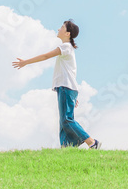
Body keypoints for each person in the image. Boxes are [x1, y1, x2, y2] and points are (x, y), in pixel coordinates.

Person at [13, 20, 101, 149]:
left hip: (66, 87)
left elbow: (45, 56)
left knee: (67, 120)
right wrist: (74, 95)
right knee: (63, 122)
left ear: (67, 33)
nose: (59, 29)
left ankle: (92, 142)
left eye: (62, 27)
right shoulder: (68, 49)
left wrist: (25, 62)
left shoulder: (66, 47)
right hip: (67, 88)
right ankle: (66, 148)